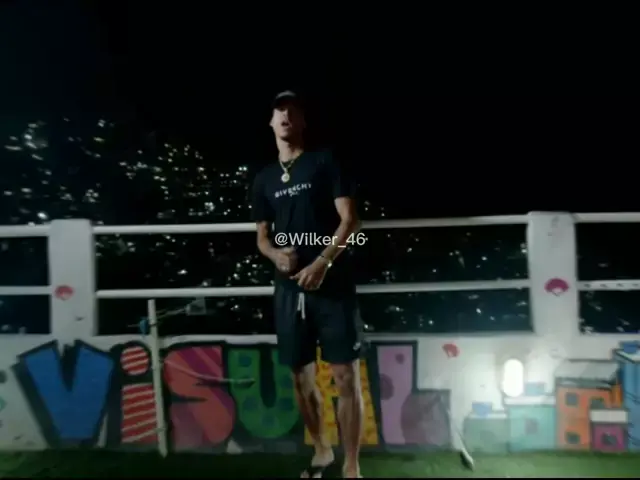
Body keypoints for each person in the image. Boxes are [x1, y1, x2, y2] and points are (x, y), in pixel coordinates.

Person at [251, 91, 364, 478]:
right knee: (300, 377)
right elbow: (262, 237)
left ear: (302, 121)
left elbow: (350, 221)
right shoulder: (264, 178)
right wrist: (274, 255)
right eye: (278, 110)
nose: (285, 115)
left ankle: (351, 465)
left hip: (333, 287)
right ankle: (321, 451)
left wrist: (322, 263)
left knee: (345, 376)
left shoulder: (325, 161)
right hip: (288, 291)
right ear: (271, 122)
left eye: (292, 110)